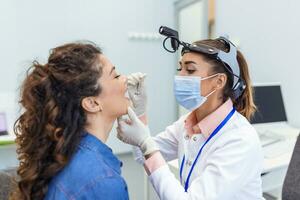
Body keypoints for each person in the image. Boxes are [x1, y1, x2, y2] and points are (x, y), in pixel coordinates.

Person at [117, 37, 264, 199]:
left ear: (219, 81)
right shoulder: (188, 123)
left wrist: (146, 143)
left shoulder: (239, 140)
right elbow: (142, 154)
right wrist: (139, 114)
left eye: (190, 70)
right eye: (180, 68)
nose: (180, 75)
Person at [10, 42, 130, 200]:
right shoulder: (102, 181)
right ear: (92, 103)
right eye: (115, 76)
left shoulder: (62, 155)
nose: (126, 79)